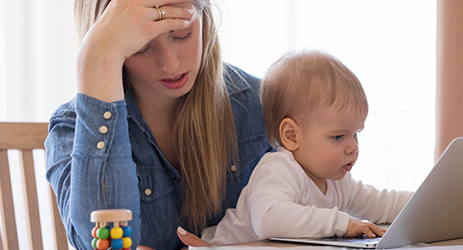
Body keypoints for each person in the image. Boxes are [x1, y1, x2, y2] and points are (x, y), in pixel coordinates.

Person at [44, 0, 272, 249]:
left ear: (204, 16)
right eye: (141, 47)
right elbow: (103, 243)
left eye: (181, 34)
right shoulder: (71, 129)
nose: (170, 64)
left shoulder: (259, 102)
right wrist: (95, 61)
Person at [178, 51, 414, 246]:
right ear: (291, 135)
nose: (353, 147)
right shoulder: (278, 169)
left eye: (356, 134)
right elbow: (269, 220)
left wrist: (435, 201)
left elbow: (383, 204)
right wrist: (343, 224)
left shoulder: (338, 181)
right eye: (338, 136)